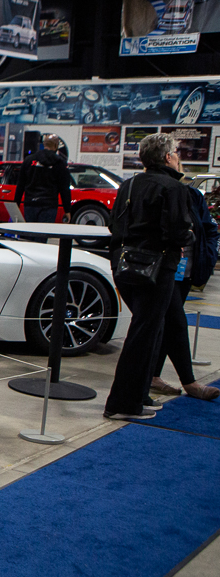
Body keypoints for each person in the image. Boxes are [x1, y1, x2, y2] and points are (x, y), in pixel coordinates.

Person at [102, 133, 195, 420]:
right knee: (143, 334)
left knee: (150, 330)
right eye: (176, 153)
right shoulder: (174, 188)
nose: (178, 157)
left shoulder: (129, 184)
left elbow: (114, 224)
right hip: (156, 269)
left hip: (125, 265)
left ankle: (139, 396)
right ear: (167, 157)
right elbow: (178, 230)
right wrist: (188, 237)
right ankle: (122, 404)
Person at [149, 177, 220, 400]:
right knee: (175, 323)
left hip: (186, 271)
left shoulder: (194, 196)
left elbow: (209, 228)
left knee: (169, 323)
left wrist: (208, 257)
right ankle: (189, 382)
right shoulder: (155, 191)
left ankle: (153, 375)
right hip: (161, 269)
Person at [13, 133, 72, 223]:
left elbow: (20, 184)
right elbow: (64, 189)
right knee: (44, 231)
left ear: (44, 144)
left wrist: (16, 204)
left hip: (30, 204)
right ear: (56, 146)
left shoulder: (29, 160)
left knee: (29, 230)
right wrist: (67, 210)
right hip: (49, 205)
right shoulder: (60, 163)